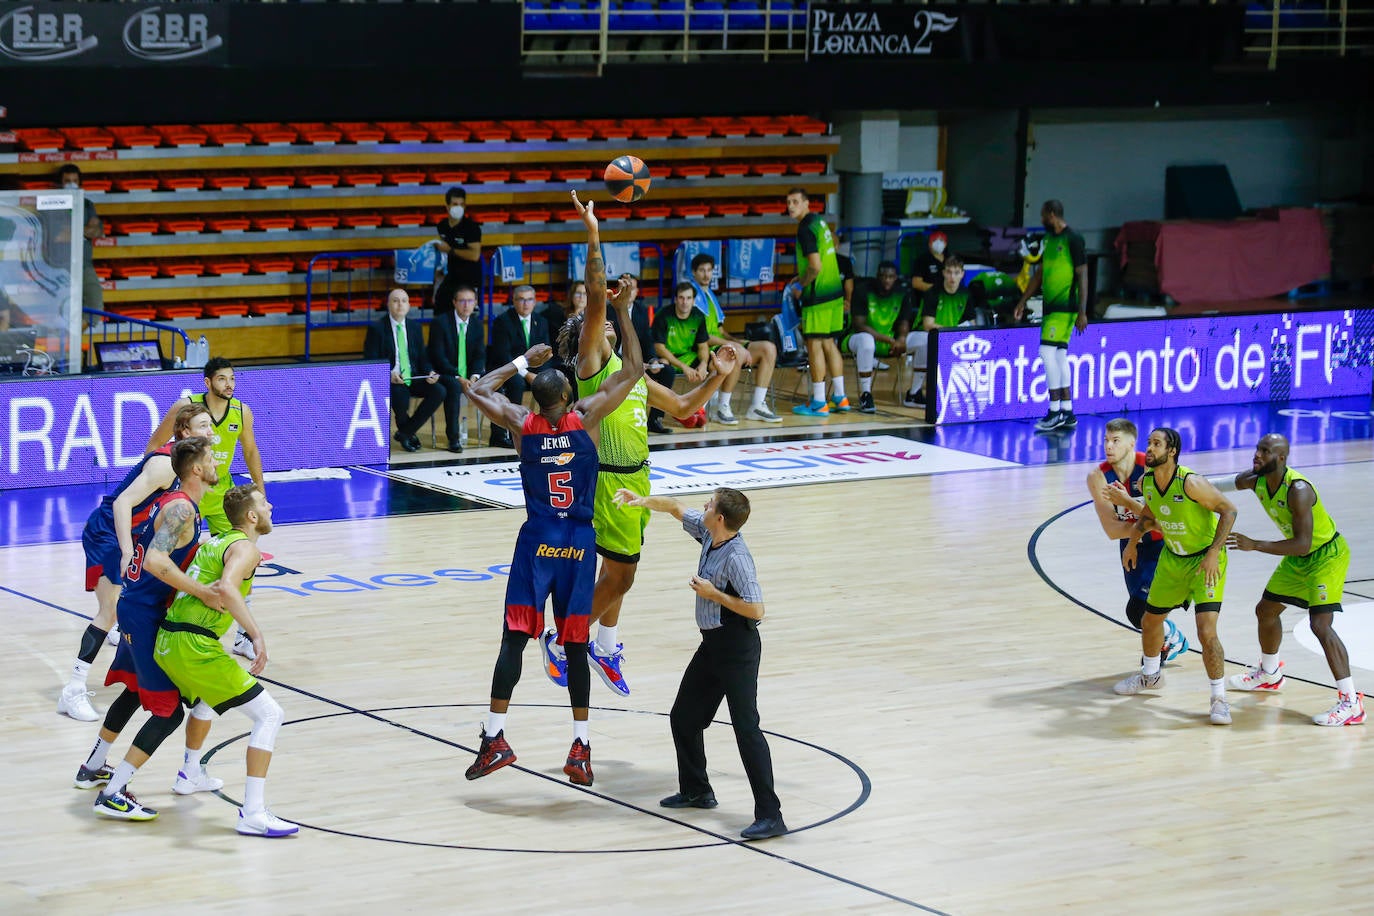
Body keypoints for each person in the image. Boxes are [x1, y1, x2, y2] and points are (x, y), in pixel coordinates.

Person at [462, 277, 644, 787]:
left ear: (539, 400)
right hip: (578, 544)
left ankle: (495, 738)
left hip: (536, 542)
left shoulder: (523, 423)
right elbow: (632, 368)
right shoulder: (587, 418)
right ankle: (581, 747)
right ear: (570, 395)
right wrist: (622, 309)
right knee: (575, 644)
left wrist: (522, 361)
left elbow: (475, 388)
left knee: (512, 641)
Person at [552, 191, 735, 697]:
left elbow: (680, 408)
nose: (607, 322)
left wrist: (716, 377)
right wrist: (593, 234)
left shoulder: (631, 376)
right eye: (599, 324)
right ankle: (561, 637)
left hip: (638, 476)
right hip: (609, 479)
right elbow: (594, 298)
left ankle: (606, 644)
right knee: (622, 576)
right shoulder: (594, 368)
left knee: (622, 573)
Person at [613, 486, 786, 841]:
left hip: (737, 647)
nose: (703, 506)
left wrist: (714, 594)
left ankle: (771, 815)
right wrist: (641, 501)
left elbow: (757, 610)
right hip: (712, 644)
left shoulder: (737, 557)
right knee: (684, 717)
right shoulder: (709, 532)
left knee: (746, 727)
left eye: (709, 504)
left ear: (720, 518)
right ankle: (697, 790)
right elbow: (676, 507)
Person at [78, 437, 228, 821]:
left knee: (133, 690)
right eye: (211, 457)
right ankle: (113, 792)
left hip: (136, 608)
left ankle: (94, 767)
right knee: (168, 713)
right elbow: (156, 562)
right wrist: (203, 593)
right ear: (196, 469)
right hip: (144, 615)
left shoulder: (178, 503)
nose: (217, 461)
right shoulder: (180, 509)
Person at [155, 483, 298, 836]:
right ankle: (253, 813)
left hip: (170, 638)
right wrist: (256, 634)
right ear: (251, 516)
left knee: (207, 699)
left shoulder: (215, 541)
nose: (271, 507)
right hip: (194, 644)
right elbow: (227, 589)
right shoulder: (245, 548)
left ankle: (190, 773)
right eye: (264, 504)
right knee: (270, 714)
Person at [61, 403, 216, 722]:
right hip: (109, 531)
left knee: (125, 606)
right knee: (111, 609)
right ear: (185, 432)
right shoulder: (165, 466)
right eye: (203, 426)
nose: (210, 432)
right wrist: (128, 550)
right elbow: (121, 503)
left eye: (211, 425)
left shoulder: (186, 465)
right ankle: (74, 688)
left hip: (132, 531)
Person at [1223, 434, 1364, 726]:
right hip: (1299, 557)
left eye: (1265, 451)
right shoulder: (1255, 479)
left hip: (1325, 556)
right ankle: (1270, 674)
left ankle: (1351, 703)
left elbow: (1302, 543)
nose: (1257, 455)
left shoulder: (1298, 489)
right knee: (1266, 610)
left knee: (1320, 625)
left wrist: (1255, 544)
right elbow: (1218, 485)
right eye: (1257, 449)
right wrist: (1180, 483)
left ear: (1282, 458)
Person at [1114, 428, 1238, 726]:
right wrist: (1132, 542)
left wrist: (1212, 553)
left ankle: (1219, 698)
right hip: (1172, 559)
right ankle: (1150, 676)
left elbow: (1229, 511)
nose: (1150, 448)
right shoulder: (1147, 483)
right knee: (1149, 620)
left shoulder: (1191, 482)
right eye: (1149, 443)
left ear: (1172, 451)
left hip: (1204, 561)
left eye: (1156, 444)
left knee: (1206, 632)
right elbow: (1148, 516)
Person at [1091, 418, 1189, 664]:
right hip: (1131, 545)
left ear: (1132, 444)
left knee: (1139, 609)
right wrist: (1143, 524)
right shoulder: (1098, 476)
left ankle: (1152, 666)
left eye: (1116, 441)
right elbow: (1112, 530)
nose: (1108, 447)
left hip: (1163, 546)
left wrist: (1131, 507)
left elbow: (1170, 525)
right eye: (1106, 440)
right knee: (1139, 614)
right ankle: (1170, 638)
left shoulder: (1153, 466)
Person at [146, 356, 266, 534]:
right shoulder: (186, 407)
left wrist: (260, 491)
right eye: (222, 379)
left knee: (234, 547)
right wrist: (152, 485)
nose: (229, 384)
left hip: (222, 490)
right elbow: (155, 444)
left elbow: (250, 452)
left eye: (232, 378)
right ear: (207, 382)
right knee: (174, 548)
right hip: (189, 486)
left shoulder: (242, 411)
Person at [1015, 200, 1088, 432]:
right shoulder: (1047, 240)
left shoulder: (1073, 238)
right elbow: (1039, 275)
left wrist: (1082, 311)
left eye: (1043, 215)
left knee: (1047, 353)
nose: (1041, 220)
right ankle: (1067, 411)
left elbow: (1083, 275)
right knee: (1058, 356)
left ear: (1052, 214)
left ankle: (1054, 411)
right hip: (1050, 308)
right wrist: (1022, 300)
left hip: (1064, 307)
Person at [688, 253, 781, 424]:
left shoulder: (710, 295)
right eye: (702, 270)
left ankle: (757, 405)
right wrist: (733, 345)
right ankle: (722, 407)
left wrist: (741, 342)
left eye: (709, 270)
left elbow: (720, 330)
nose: (706, 274)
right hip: (703, 347)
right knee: (733, 352)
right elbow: (703, 336)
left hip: (719, 343)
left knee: (768, 348)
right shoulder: (692, 297)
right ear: (693, 273)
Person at [785, 188, 849, 416]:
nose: (791, 206)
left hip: (818, 295)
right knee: (829, 343)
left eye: (795, 202)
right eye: (788, 202)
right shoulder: (819, 223)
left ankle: (819, 402)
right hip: (834, 293)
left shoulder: (804, 229)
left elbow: (815, 266)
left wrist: (801, 285)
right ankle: (840, 397)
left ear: (807, 203)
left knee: (814, 345)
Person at [362, 288, 447, 454]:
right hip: (391, 379)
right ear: (388, 305)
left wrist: (430, 371)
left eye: (404, 301)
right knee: (400, 395)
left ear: (408, 306)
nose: (400, 304)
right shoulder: (377, 328)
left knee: (439, 390)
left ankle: (406, 432)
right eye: (395, 300)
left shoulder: (415, 327)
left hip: (413, 375)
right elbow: (370, 360)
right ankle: (407, 433)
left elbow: (423, 357)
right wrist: (388, 375)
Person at [904, 255, 986, 408]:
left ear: (962, 274)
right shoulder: (933, 293)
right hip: (918, 335)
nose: (952, 277)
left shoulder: (965, 294)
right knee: (927, 341)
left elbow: (971, 324)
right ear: (943, 273)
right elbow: (928, 325)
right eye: (949, 272)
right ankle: (913, 393)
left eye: (956, 273)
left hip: (948, 337)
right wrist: (953, 333)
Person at [843, 261, 918, 414]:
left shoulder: (902, 293)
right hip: (855, 339)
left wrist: (902, 339)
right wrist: (890, 340)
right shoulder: (862, 290)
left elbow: (904, 321)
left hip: (891, 342)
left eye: (890, 276)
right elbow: (859, 325)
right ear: (877, 276)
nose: (887, 280)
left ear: (895, 277)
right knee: (866, 340)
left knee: (924, 340)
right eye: (883, 276)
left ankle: (915, 393)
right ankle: (866, 394)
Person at [606, 272, 675, 434]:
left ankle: (655, 419)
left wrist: (652, 360)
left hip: (638, 362)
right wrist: (634, 364)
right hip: (614, 361)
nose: (627, 291)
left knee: (667, 372)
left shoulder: (641, 310)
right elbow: (607, 346)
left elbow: (647, 339)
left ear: (636, 292)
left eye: (631, 288)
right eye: (624, 287)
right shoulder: (608, 310)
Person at [486, 285, 551, 448]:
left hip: (532, 368)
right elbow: (503, 355)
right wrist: (526, 374)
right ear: (513, 301)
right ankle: (505, 433)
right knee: (517, 383)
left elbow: (545, 352)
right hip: (506, 368)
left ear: (535, 302)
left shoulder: (541, 321)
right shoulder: (503, 321)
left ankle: (545, 429)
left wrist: (544, 375)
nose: (525, 303)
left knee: (551, 381)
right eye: (521, 299)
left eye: (529, 299)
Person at [427, 284, 486, 452]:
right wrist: (459, 378)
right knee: (453, 388)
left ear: (475, 302)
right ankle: (453, 438)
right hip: (446, 374)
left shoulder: (476, 324)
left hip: (470, 376)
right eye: (462, 301)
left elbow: (479, 355)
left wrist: (474, 377)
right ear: (454, 302)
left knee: (496, 383)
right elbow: (438, 357)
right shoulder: (440, 323)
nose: (466, 305)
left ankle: (499, 435)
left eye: (470, 301)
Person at [55, 164, 105, 312]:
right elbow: (58, 236)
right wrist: (84, 230)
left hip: (84, 265)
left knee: (95, 307)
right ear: (60, 183)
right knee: (64, 310)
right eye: (67, 180)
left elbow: (97, 231)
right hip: (59, 266)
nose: (71, 184)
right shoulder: (53, 203)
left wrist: (71, 231)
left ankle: (76, 336)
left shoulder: (87, 204)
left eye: (75, 180)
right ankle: (68, 336)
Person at [652, 282, 712, 400]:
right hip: (668, 357)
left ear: (694, 300)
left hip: (688, 357)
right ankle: (662, 407)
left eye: (688, 298)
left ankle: (705, 404)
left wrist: (704, 364)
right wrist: (684, 367)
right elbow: (659, 348)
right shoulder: (663, 315)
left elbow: (703, 346)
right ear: (675, 299)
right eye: (681, 298)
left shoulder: (698, 316)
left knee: (714, 364)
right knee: (662, 365)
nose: (685, 302)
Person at [433, 186, 482, 316]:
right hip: (452, 276)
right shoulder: (442, 226)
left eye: (462, 204)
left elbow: (475, 255)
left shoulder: (471, 227)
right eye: (455, 204)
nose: (458, 207)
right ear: (447, 206)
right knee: (440, 306)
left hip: (469, 278)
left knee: (465, 314)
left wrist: (450, 250)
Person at [546, 279, 588, 347]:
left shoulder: (593, 318)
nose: (581, 297)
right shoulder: (558, 314)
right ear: (572, 295)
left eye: (585, 294)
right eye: (578, 293)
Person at [908, 230, 948, 295]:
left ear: (945, 244)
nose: (938, 243)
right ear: (929, 244)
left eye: (941, 240)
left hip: (948, 297)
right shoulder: (922, 260)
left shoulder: (950, 259)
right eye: (934, 240)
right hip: (928, 296)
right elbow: (916, 283)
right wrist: (938, 289)